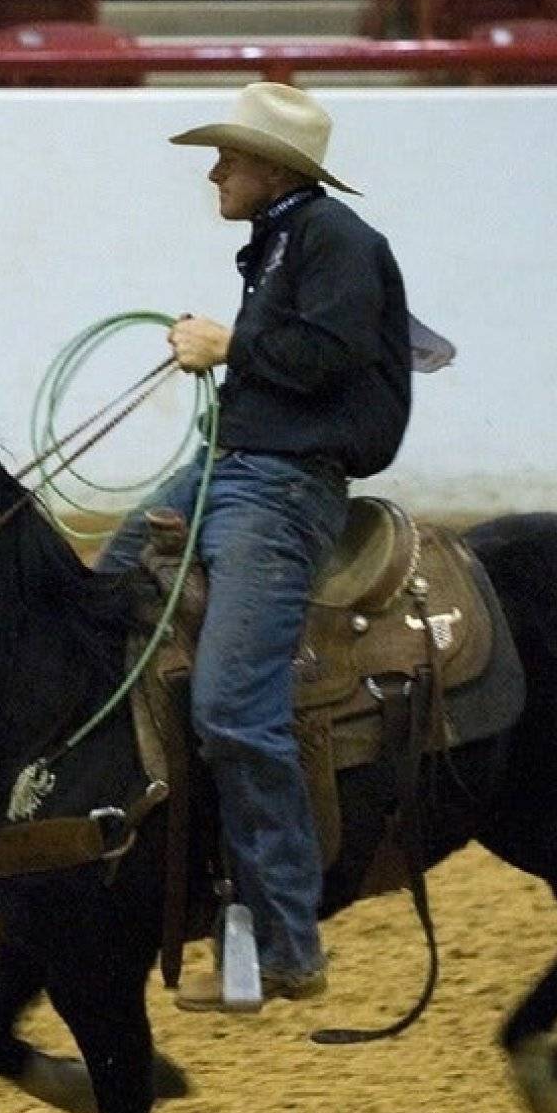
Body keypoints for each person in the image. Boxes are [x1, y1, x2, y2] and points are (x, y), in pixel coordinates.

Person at [97, 82, 412, 1013]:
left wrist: (232, 344)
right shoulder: (282, 243)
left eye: (228, 157)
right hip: (229, 468)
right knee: (102, 589)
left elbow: (331, 357)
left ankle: (288, 938)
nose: (215, 171)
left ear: (272, 167)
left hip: (281, 489)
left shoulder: (338, 243)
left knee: (237, 707)